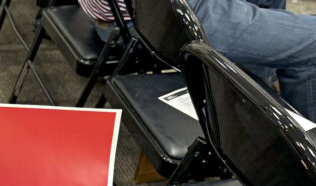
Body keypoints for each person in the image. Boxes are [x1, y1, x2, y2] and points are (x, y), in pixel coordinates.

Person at [78, 0, 316, 122]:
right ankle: (302, 164)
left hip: (122, 14)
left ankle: (257, 99)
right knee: (312, 45)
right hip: (149, 20)